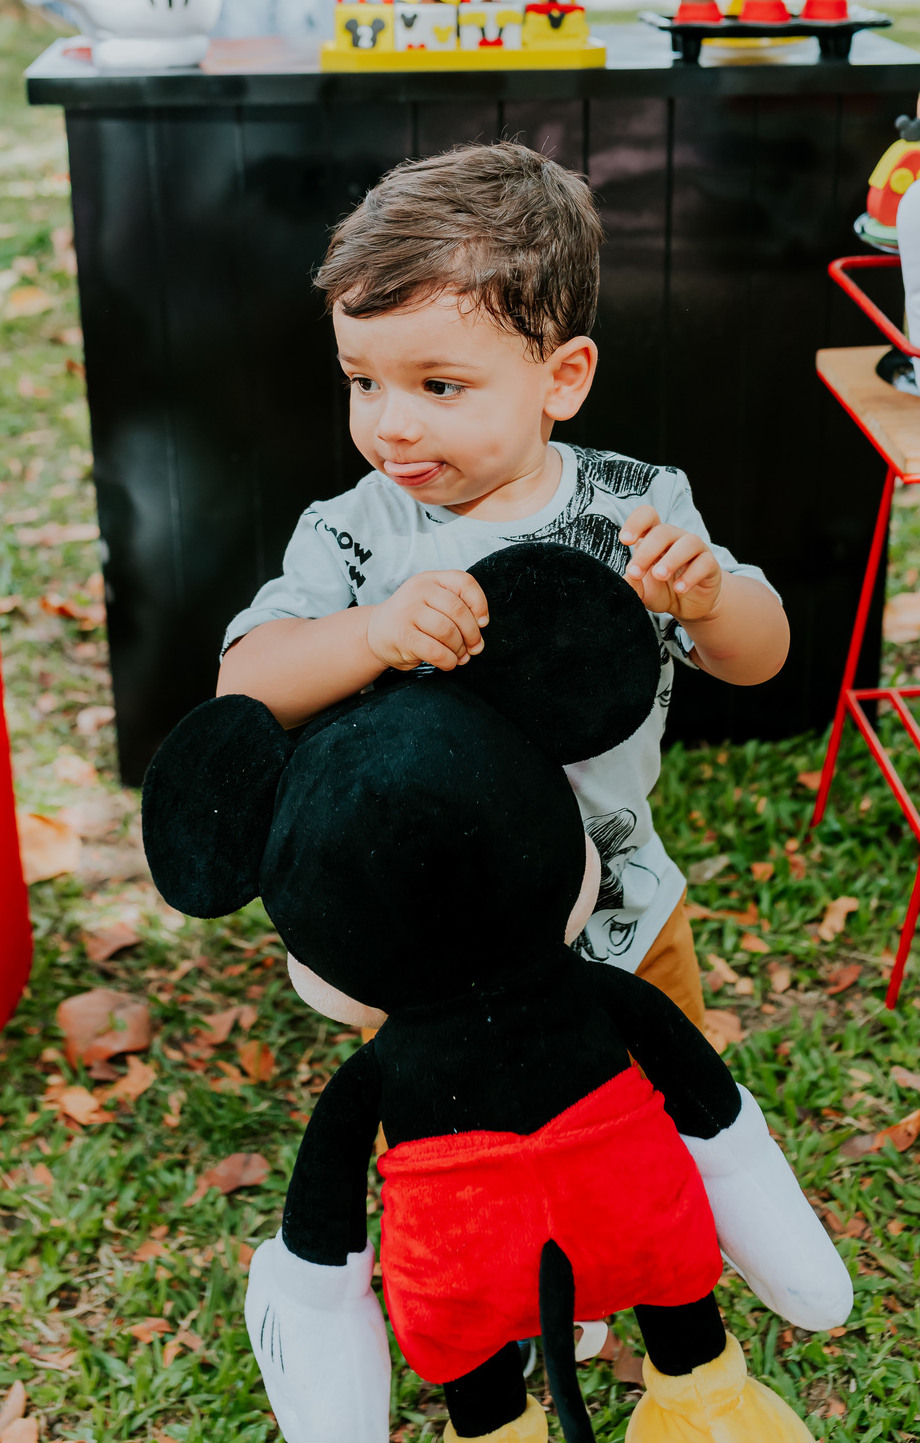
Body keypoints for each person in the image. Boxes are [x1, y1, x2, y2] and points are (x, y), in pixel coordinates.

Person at [218, 143, 788, 1025]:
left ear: (562, 378)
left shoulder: (635, 508)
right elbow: (245, 686)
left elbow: (761, 658)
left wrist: (709, 601)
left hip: (621, 923)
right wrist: (372, 633)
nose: (391, 425)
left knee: (660, 1097)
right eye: (363, 382)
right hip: (426, 948)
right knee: (448, 1116)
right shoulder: (353, 533)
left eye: (439, 386)